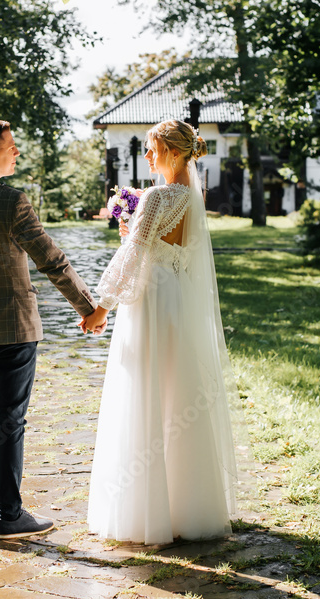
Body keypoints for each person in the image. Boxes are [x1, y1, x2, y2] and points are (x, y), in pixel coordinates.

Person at [0, 118, 107, 539]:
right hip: (13, 331)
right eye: (11, 146)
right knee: (10, 421)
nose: (16, 152)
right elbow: (51, 260)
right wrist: (89, 308)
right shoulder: (12, 202)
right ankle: (10, 517)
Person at [80, 119, 238, 544]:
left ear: (171, 150)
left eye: (152, 149)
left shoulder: (158, 196)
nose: (147, 157)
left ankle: (145, 512)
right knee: (178, 394)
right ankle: (190, 509)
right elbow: (161, 247)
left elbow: (134, 257)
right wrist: (133, 228)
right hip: (179, 305)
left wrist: (101, 307)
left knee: (146, 390)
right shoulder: (192, 198)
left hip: (150, 304)